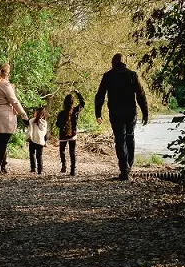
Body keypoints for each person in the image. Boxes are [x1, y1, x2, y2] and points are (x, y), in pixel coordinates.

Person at [95, 53, 149, 181]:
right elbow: (141, 95)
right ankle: (129, 166)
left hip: (115, 113)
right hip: (130, 112)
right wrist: (145, 112)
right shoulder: (132, 75)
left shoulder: (108, 76)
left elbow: (100, 95)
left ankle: (124, 169)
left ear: (113, 62)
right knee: (130, 137)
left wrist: (98, 113)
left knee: (120, 140)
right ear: (125, 62)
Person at [0, 62, 28, 175]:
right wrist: (23, 114)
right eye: (8, 73)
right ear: (2, 73)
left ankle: (3, 166)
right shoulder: (5, 85)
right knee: (2, 143)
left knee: (0, 143)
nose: (8, 75)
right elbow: (14, 101)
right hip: (3, 118)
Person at [55, 90, 85, 176]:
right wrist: (78, 93)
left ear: (64, 103)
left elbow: (57, 124)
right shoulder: (76, 110)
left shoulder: (61, 113)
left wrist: (62, 125)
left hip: (63, 134)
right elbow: (83, 103)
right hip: (73, 134)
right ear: (73, 102)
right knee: (72, 152)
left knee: (62, 150)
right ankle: (73, 170)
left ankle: (64, 165)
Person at [27, 106, 48, 174]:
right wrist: (45, 141)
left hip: (32, 139)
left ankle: (33, 168)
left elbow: (30, 129)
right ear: (44, 114)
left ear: (36, 113)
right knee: (39, 155)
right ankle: (40, 170)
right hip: (40, 141)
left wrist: (29, 137)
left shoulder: (31, 120)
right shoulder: (44, 123)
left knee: (32, 153)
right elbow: (45, 133)